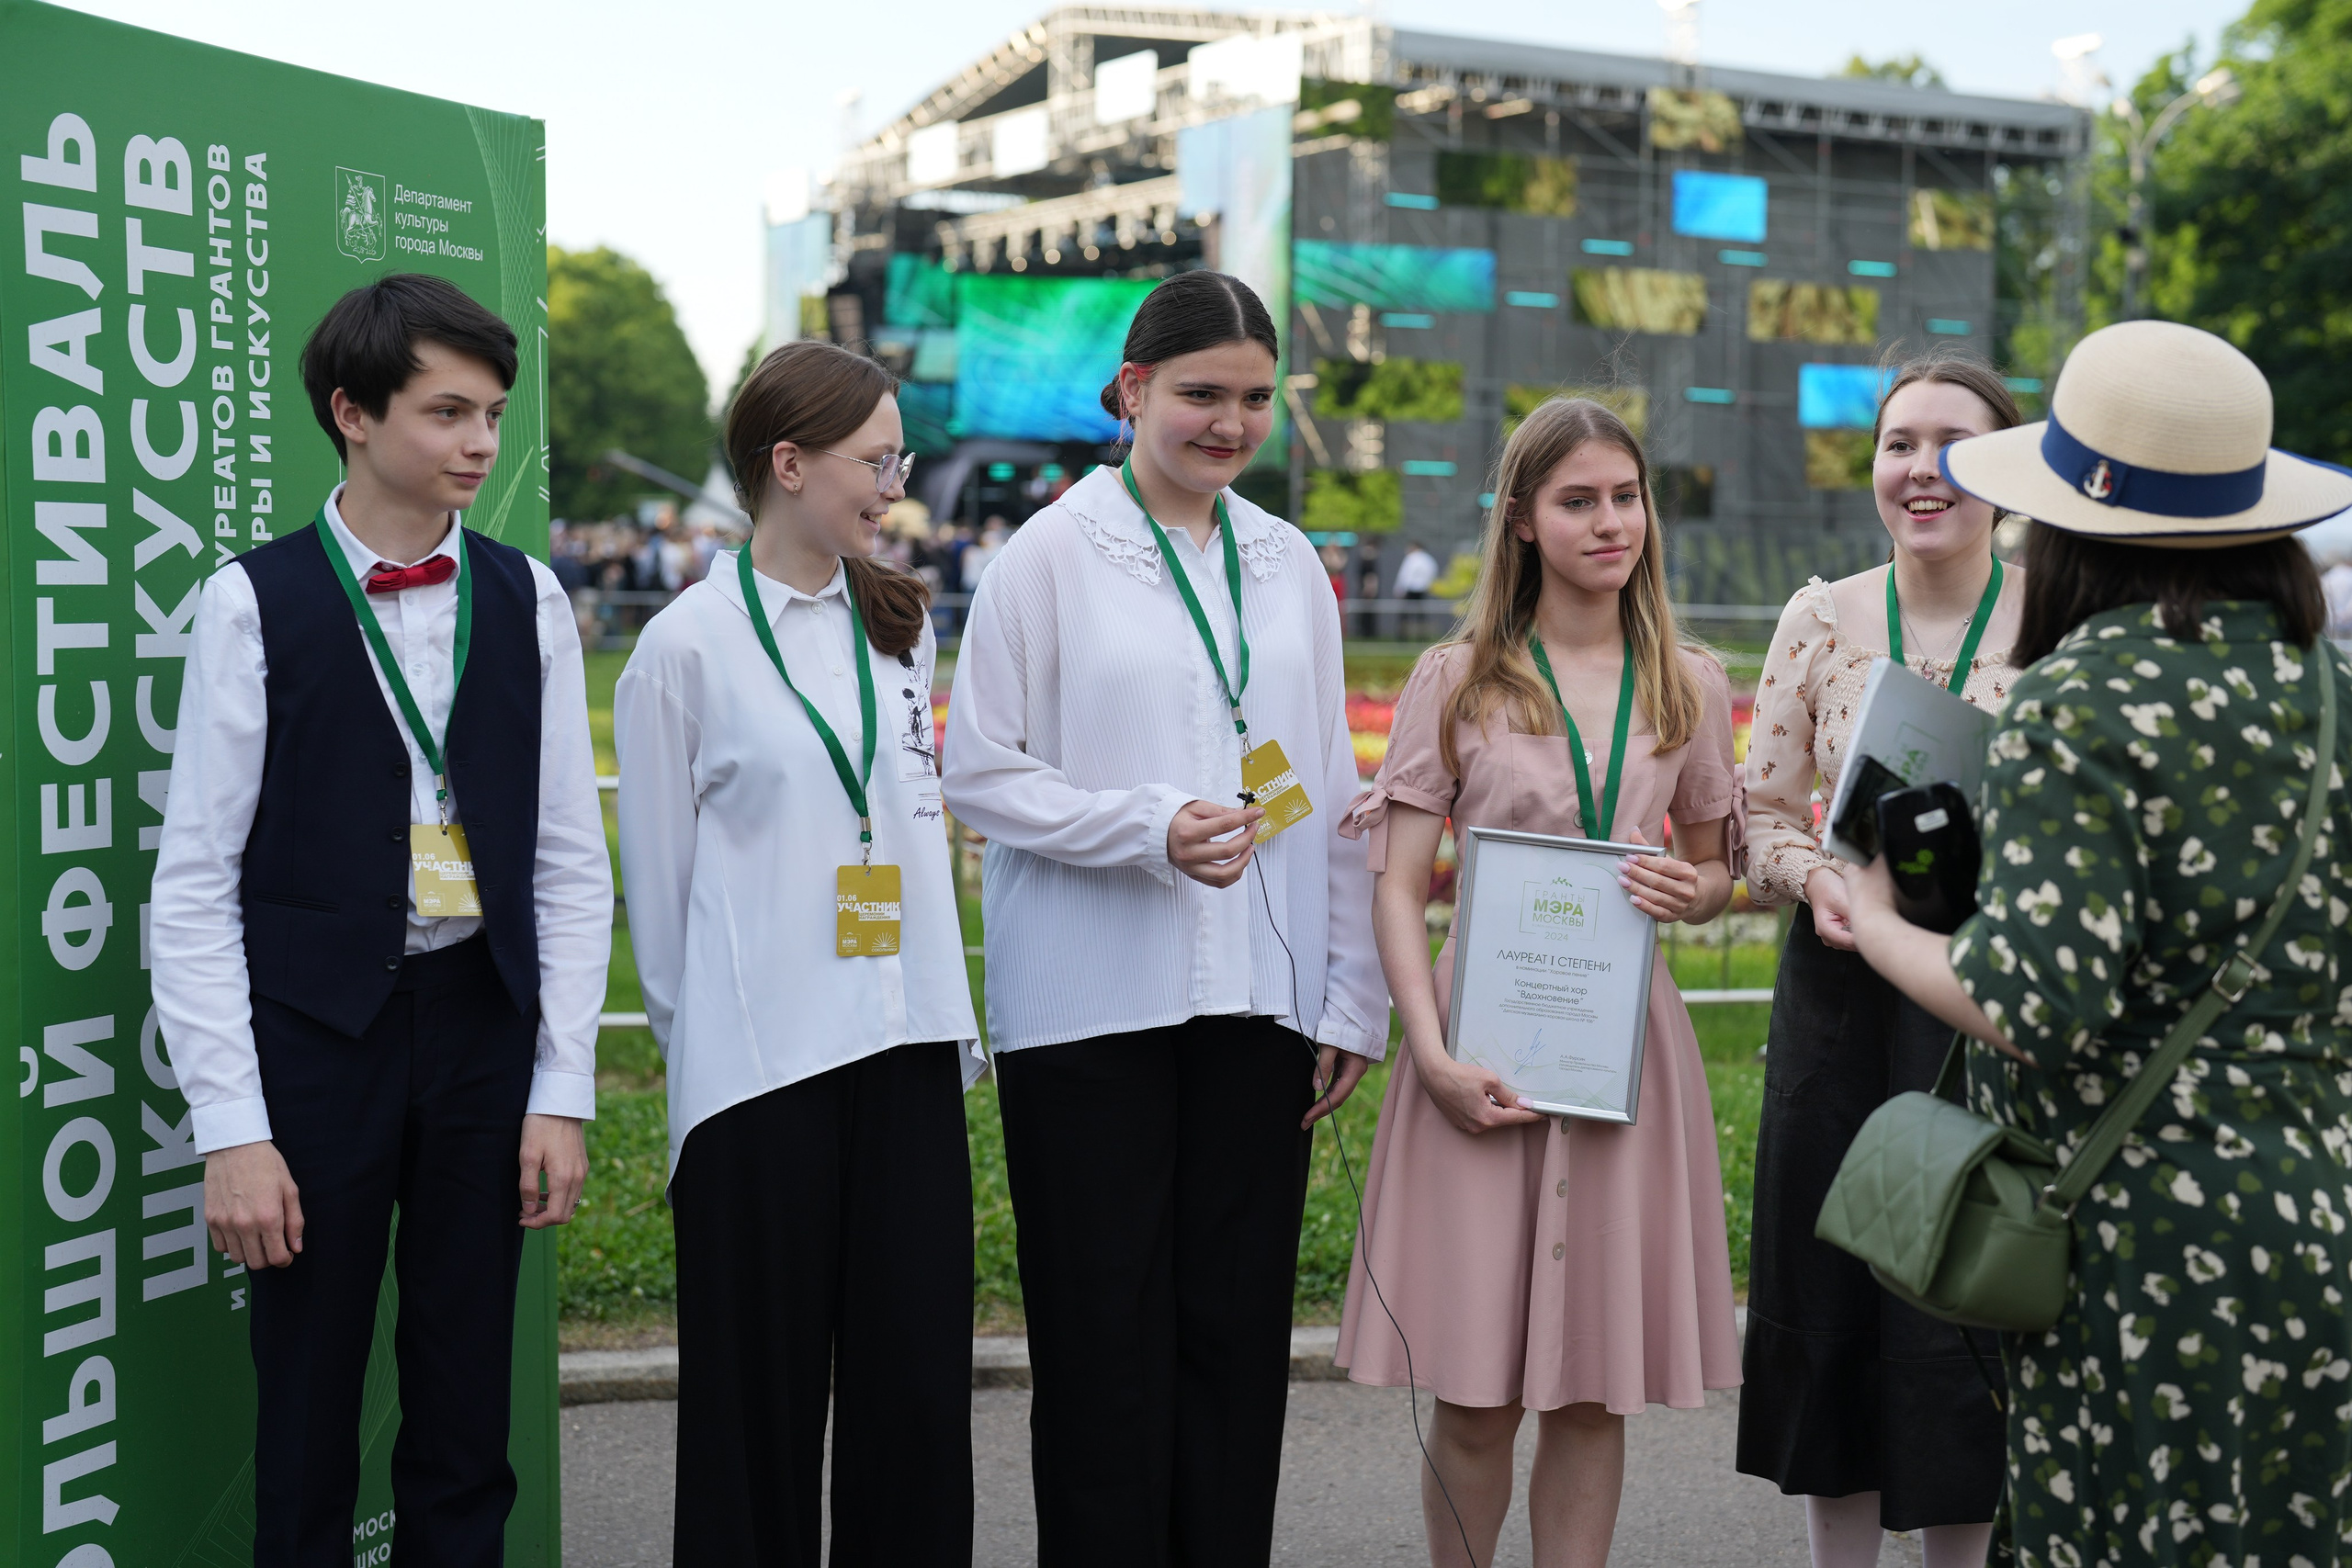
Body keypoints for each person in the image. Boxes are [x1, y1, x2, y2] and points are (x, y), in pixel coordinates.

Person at [1840, 319, 2352, 1568]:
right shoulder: (2324, 684)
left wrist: (1876, 917)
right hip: (2314, 1206)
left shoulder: (2087, 694)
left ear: (2074, 517)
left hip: (2140, 1240)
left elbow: (2031, 998)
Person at [150, 273, 612, 1567]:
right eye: (449, 411)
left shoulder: (530, 599)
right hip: (315, 1034)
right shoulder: (254, 600)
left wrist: (561, 1083)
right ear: (352, 413)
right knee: (304, 1397)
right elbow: (192, 882)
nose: (481, 441)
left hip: (480, 1025)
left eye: (493, 413)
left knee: (468, 1398)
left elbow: (572, 860)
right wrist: (232, 1126)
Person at [942, 270, 1385, 1563]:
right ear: (1132, 390)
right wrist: (1146, 824)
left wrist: (1346, 996)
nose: (1229, 422)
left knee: (1235, 1334)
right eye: (1201, 393)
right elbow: (980, 767)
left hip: (1258, 1001)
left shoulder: (1287, 558)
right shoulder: (1051, 553)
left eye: (1254, 397)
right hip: (1091, 1008)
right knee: (1099, 1337)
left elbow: (1330, 790)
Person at [1333, 396, 1745, 1566]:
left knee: (1586, 1387)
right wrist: (1431, 1052)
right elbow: (1399, 883)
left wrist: (1695, 892)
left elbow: (1717, 867)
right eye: (1577, 501)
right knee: (1472, 1394)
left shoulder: (1691, 683)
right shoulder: (1456, 678)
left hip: (1624, 1051)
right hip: (1481, 1045)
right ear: (1520, 521)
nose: (1610, 522)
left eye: (1625, 496)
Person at [616, 340, 982, 1566]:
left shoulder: (900, 625)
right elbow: (660, 904)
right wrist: (710, 1041)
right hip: (758, 1071)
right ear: (788, 463)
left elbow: (911, 821)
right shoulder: (685, 648)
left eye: (900, 458)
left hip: (911, 1043)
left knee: (916, 1402)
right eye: (877, 460)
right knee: (753, 1413)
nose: (896, 483)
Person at [1737, 348, 2025, 1566]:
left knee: (1965, 1294)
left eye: (1952, 445)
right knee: (1830, 1291)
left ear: (2004, 470)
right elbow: (1757, 818)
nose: (1920, 469)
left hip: (1981, 993)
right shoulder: (1822, 615)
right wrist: (1820, 882)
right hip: (1842, 995)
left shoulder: (2062, 619)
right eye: (1899, 442)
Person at [1396, 536, 1440, 635]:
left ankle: (1403, 635)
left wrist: (1399, 589)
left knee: (1405, 613)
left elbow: (1405, 574)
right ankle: (1421, 635)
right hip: (1423, 590)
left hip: (1410, 589)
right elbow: (1432, 574)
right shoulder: (1428, 559)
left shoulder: (1411, 558)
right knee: (1421, 614)